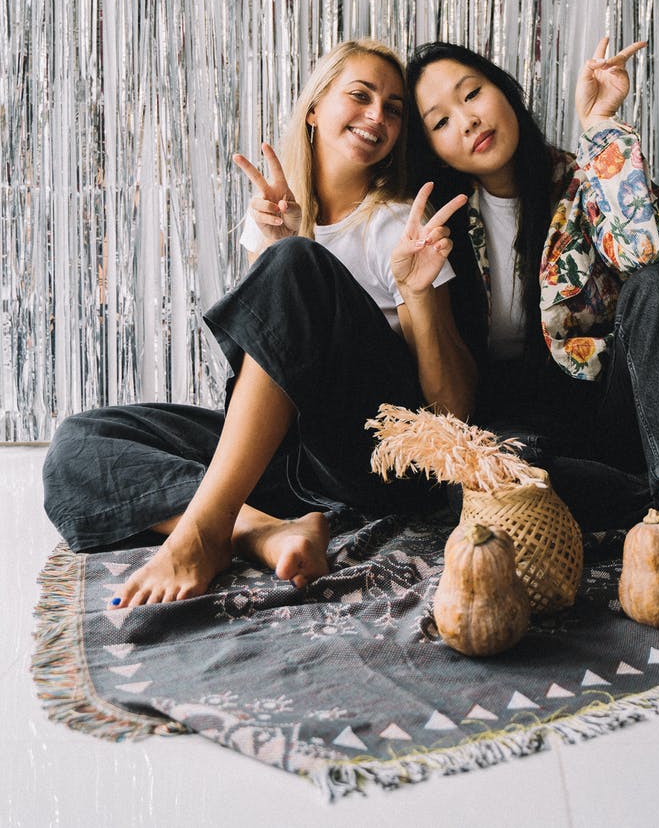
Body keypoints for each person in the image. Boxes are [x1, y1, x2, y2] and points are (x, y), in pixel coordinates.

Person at [43, 39, 475, 607]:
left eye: (393, 109)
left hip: (367, 461)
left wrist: (418, 293)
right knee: (80, 443)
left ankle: (205, 529)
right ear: (314, 108)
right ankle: (260, 530)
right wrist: (273, 248)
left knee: (296, 260)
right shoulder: (276, 215)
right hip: (286, 460)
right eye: (361, 95)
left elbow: (452, 413)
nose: (377, 115)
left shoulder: (398, 224)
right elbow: (260, 369)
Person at [406, 37, 659, 644]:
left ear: (505, 91)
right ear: (431, 146)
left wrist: (599, 129)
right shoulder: (436, 224)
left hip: (610, 409)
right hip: (524, 442)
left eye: (473, 93)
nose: (467, 121)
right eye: (440, 121)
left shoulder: (582, 178)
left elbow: (654, 250)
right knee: (504, 477)